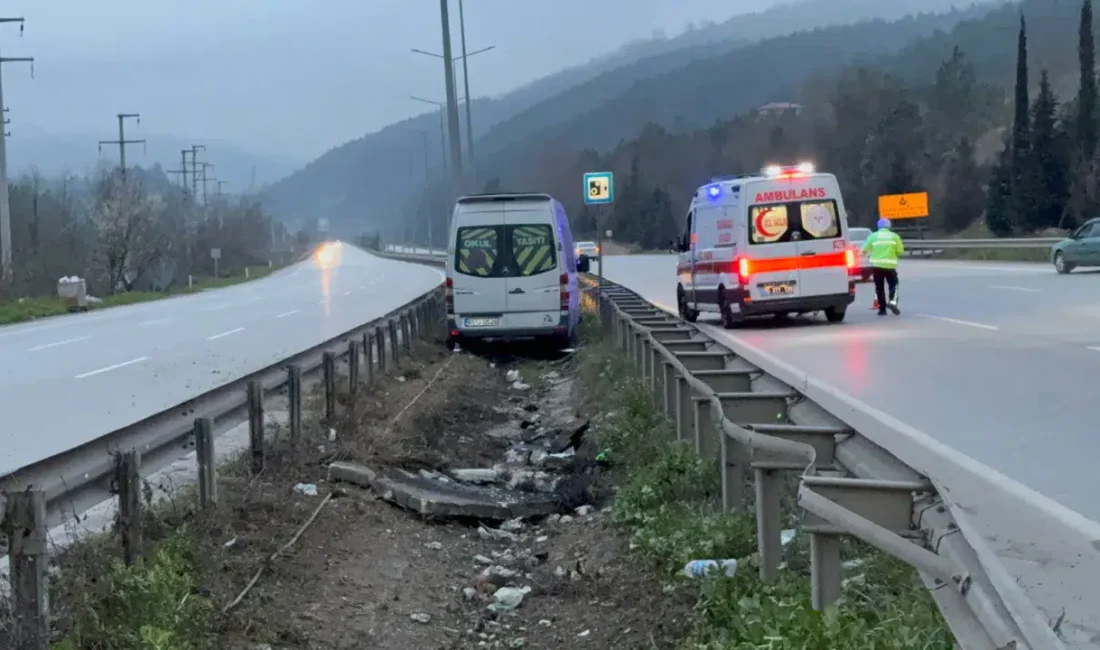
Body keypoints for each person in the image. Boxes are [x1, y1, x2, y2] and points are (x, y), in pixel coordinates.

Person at [861, 217, 904, 316]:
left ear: (878, 226)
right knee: (894, 285)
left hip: (877, 267)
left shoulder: (873, 236)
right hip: (890, 266)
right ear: (889, 226)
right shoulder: (894, 236)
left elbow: (864, 250)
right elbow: (900, 251)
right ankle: (893, 302)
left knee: (879, 288)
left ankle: (882, 309)